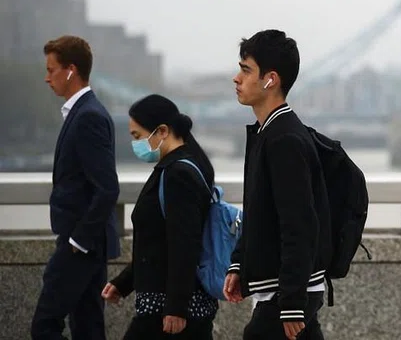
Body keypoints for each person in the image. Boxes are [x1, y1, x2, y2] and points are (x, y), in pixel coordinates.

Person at [223, 30, 332, 340]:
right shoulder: (267, 133)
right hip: (288, 288)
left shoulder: (284, 139)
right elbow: (261, 213)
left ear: (270, 79)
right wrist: (240, 264)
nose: (236, 78)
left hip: (287, 292)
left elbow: (299, 224)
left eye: (245, 70)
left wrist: (293, 303)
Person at [101, 94, 219, 339]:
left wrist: (176, 307)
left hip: (167, 310)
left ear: (162, 130)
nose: (135, 143)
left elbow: (184, 244)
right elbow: (158, 243)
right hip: (167, 305)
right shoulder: (181, 165)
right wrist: (124, 283)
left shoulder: (179, 174)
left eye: (137, 136)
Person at [32, 36, 120, 340]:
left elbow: (107, 188)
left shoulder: (88, 117)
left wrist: (78, 241)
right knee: (88, 328)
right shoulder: (86, 111)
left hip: (80, 245)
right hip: (87, 244)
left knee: (44, 326)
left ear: (71, 70)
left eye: (51, 70)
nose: (47, 78)